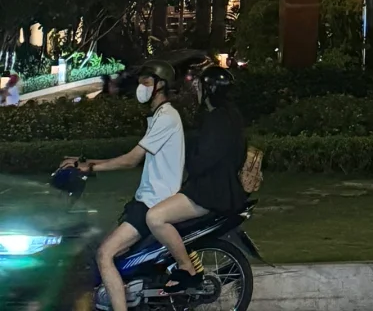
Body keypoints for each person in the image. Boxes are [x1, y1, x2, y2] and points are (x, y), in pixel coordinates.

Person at [61, 61, 183, 311]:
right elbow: (133, 156)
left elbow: (131, 160)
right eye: (141, 82)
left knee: (104, 254)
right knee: (114, 253)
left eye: (147, 82)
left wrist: (91, 168)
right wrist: (83, 162)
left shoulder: (167, 117)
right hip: (146, 199)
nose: (141, 87)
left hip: (153, 202)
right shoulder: (159, 116)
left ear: (161, 86)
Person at [145, 64, 247, 293]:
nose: (196, 90)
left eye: (200, 86)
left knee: (155, 218)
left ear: (209, 89)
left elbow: (202, 159)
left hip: (210, 192)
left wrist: (187, 158)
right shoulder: (230, 116)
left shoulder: (217, 120)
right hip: (217, 187)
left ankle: (186, 268)